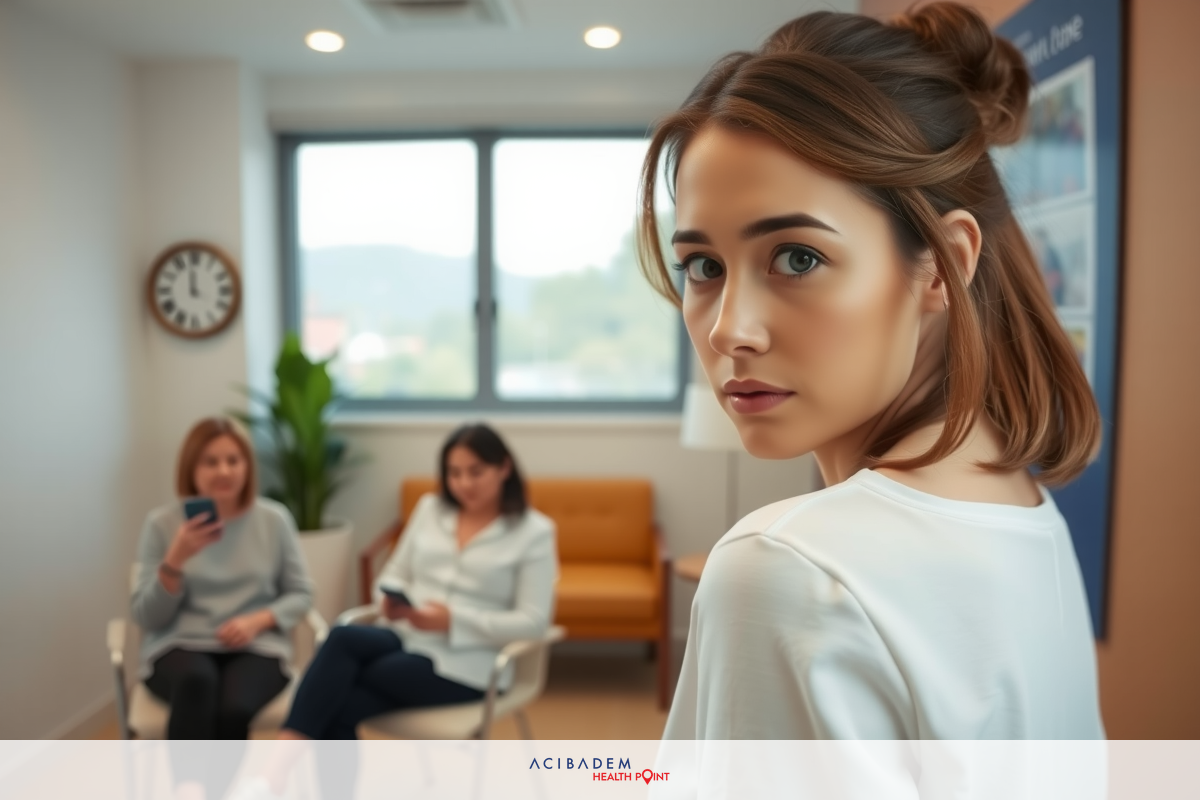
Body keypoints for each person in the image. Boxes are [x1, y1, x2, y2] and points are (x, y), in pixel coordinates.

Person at [637, 2, 1104, 744]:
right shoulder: (1022, 513)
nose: (728, 329)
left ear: (942, 265)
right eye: (703, 266)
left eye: (798, 257)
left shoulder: (790, 571)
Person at [233, 423, 557, 800]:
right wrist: (390, 599)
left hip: (472, 663)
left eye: (476, 472)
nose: (463, 483)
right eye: (454, 473)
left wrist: (452, 620)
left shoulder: (534, 533)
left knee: (338, 695)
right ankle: (273, 779)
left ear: (504, 468)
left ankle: (269, 779)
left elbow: (533, 623)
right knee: (342, 637)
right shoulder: (430, 509)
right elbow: (395, 571)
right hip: (408, 636)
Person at [131, 416, 314, 800]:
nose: (224, 471)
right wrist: (175, 560)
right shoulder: (162, 525)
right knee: (198, 682)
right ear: (190, 469)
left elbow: (301, 594)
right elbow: (147, 616)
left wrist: (259, 619)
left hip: (256, 645)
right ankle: (190, 791)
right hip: (180, 645)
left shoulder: (273, 520)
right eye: (210, 462)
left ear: (248, 466)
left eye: (234, 460)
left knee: (234, 707)